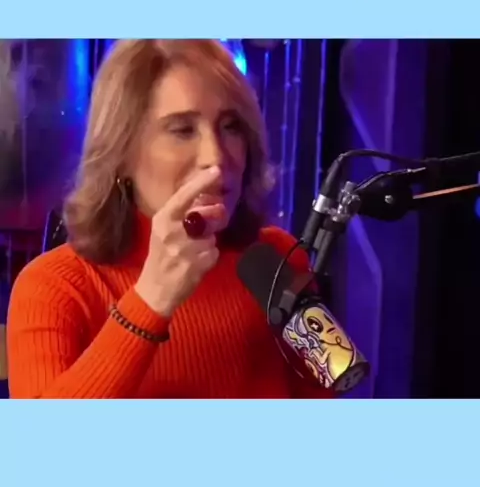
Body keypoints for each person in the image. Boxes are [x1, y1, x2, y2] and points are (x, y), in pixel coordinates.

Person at [7, 39, 332, 399]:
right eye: (183, 130)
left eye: (231, 127)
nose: (215, 157)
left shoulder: (280, 258)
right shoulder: (52, 287)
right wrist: (151, 300)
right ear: (122, 154)